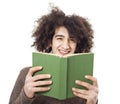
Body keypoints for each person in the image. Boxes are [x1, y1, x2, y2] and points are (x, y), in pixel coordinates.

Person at [9, 6, 98, 104]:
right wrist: (26, 94)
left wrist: (92, 102)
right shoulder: (27, 75)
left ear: (78, 44)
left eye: (72, 40)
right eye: (60, 38)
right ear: (50, 42)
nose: (66, 46)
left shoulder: (84, 82)